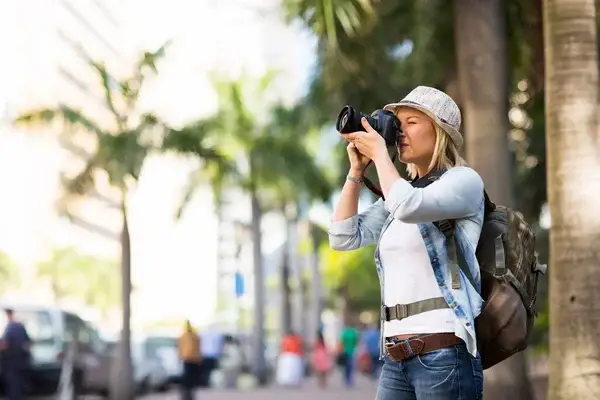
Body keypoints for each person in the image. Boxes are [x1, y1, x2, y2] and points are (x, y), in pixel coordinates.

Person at [328, 86, 484, 399]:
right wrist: (356, 171)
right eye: (398, 123)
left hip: (443, 351)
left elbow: (409, 205)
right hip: (395, 358)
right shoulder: (399, 194)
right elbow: (343, 237)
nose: (400, 131)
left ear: (440, 132)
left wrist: (381, 156)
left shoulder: (464, 181)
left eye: (411, 122)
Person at [0, 309, 31, 400]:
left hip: (10, 362)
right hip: (21, 362)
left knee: (12, 387)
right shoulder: (20, 326)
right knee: (18, 386)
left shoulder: (9, 329)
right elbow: (28, 343)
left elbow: (5, 345)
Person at [178, 320, 201, 400]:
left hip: (191, 359)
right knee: (188, 378)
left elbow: (198, 348)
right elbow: (180, 347)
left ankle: (188, 393)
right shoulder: (190, 336)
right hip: (189, 359)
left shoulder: (193, 336)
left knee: (190, 378)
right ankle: (187, 393)